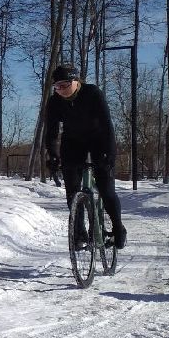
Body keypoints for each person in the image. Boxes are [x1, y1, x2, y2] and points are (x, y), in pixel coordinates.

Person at [44, 64, 127, 250]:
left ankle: (118, 229)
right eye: (57, 87)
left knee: (106, 189)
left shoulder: (92, 93)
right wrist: (53, 155)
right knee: (72, 190)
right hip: (73, 142)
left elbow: (107, 125)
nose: (61, 90)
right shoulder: (55, 102)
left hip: (98, 140)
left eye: (65, 85)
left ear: (76, 81)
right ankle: (79, 233)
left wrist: (110, 154)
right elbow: (51, 132)